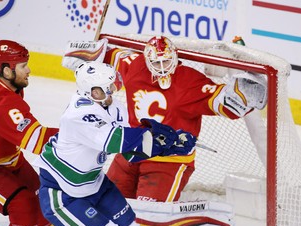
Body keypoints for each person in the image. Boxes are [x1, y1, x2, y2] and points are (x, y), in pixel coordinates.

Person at [33, 61, 195, 226]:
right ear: (91, 91)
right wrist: (158, 139)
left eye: (111, 86)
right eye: (106, 88)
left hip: (95, 183)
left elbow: (130, 152)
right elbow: (117, 141)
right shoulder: (78, 114)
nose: (111, 92)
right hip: (63, 192)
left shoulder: (114, 107)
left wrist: (168, 145)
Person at [62, 35, 267, 203]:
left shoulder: (190, 82)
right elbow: (104, 55)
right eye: (156, 62)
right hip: (131, 151)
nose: (161, 68)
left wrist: (245, 85)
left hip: (169, 160)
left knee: (148, 217)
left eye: (166, 61)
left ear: (175, 57)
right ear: (146, 59)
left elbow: (228, 105)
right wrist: (86, 57)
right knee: (106, 205)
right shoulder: (134, 65)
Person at [0, 40, 90, 226]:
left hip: (10, 160)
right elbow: (38, 141)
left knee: (43, 200)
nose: (28, 70)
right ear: (7, 71)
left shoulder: (8, 86)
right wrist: (82, 133)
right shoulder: (1, 103)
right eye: (23, 66)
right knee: (23, 206)